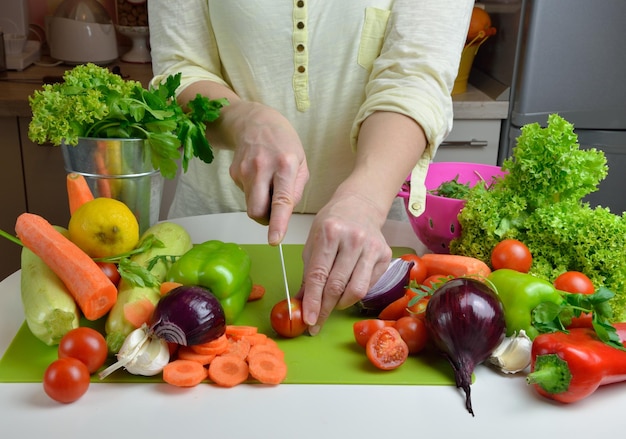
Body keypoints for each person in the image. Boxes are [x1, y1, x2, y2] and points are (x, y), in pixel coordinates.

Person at [148, 0, 473, 335]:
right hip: (214, 219)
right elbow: (178, 69)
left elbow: (417, 77)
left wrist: (365, 199)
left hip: (371, 231)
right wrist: (244, 120)